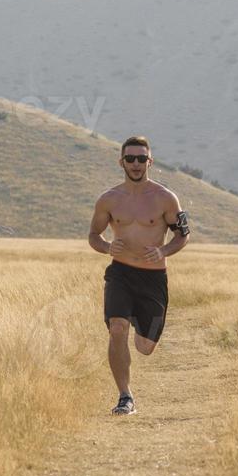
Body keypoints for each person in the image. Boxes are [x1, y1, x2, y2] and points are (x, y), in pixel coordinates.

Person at [87, 136, 189, 415]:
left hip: (153, 279)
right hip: (120, 273)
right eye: (130, 158)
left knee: (145, 347)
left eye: (141, 158)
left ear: (150, 162)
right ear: (121, 162)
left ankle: (134, 317)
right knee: (117, 329)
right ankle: (125, 397)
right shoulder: (109, 199)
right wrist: (108, 246)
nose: (135, 164)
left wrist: (164, 251)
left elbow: (183, 236)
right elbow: (93, 235)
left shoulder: (166, 198)